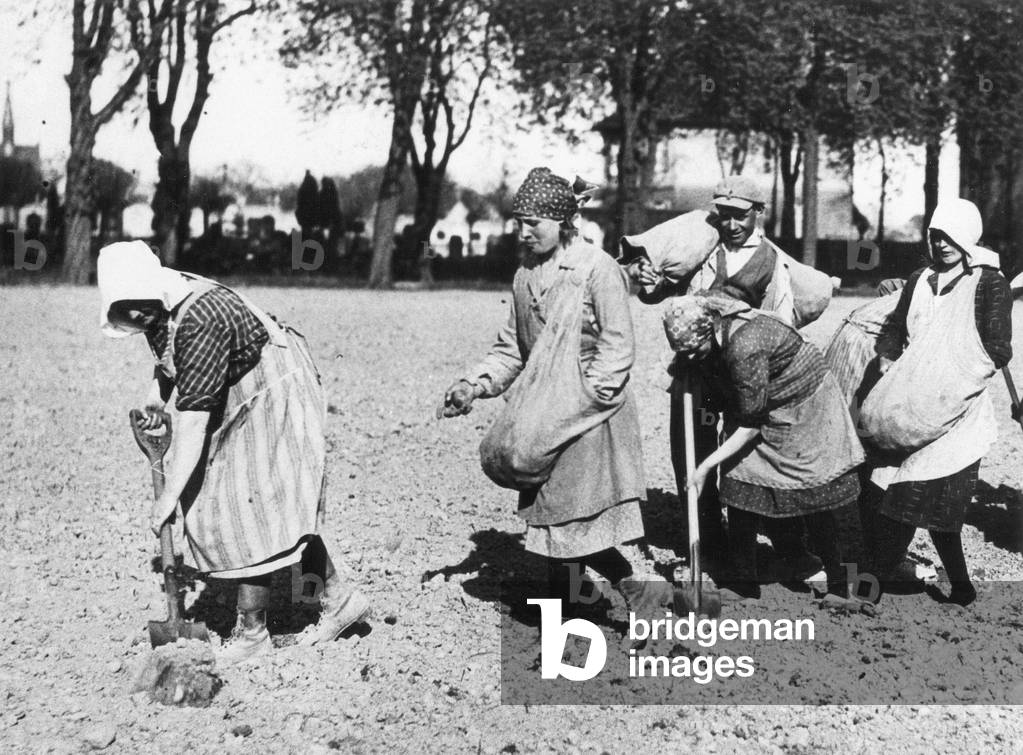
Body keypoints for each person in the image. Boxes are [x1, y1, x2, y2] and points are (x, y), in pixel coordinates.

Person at [98, 240, 370, 664]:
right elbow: (174, 360)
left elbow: (192, 421)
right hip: (241, 390)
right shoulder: (160, 307)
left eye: (137, 302)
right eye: (123, 308)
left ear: (153, 287)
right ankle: (338, 598)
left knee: (246, 512)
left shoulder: (200, 318)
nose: (134, 315)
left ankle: (252, 634)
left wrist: (170, 495)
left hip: (273, 393)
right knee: (273, 512)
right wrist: (157, 394)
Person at [439, 167, 672, 617]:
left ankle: (613, 597)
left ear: (563, 223)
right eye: (518, 222)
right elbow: (512, 348)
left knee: (565, 516)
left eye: (534, 224)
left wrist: (586, 398)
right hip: (543, 412)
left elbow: (618, 347)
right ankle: (583, 603)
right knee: (555, 516)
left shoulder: (596, 269)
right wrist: (474, 384)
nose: (523, 233)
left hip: (590, 415)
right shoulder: (525, 275)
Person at [623, 177, 823, 579]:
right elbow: (660, 294)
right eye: (725, 215)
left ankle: (790, 549)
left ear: (758, 213)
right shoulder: (702, 248)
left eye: (740, 215)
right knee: (691, 459)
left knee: (754, 456)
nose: (731, 224)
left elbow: (777, 325)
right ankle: (708, 549)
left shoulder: (772, 263)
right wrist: (651, 284)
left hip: (739, 374)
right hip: (694, 375)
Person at [860, 198, 1012, 607]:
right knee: (937, 510)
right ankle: (962, 589)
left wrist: (949, 376)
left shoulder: (987, 284)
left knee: (909, 500)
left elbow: (997, 349)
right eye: (935, 236)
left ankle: (866, 592)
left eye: (950, 236)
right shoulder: (919, 279)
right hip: (911, 408)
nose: (941, 244)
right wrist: (889, 355)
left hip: (957, 412)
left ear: (967, 238)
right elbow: (894, 328)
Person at [665, 293, 865, 600]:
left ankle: (839, 585)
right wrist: (686, 363)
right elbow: (743, 405)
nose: (689, 357)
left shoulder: (744, 346)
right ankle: (744, 583)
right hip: (761, 403)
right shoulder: (710, 321)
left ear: (709, 332)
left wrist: (703, 467)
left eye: (693, 351)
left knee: (812, 488)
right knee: (738, 479)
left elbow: (749, 426)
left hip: (804, 405)